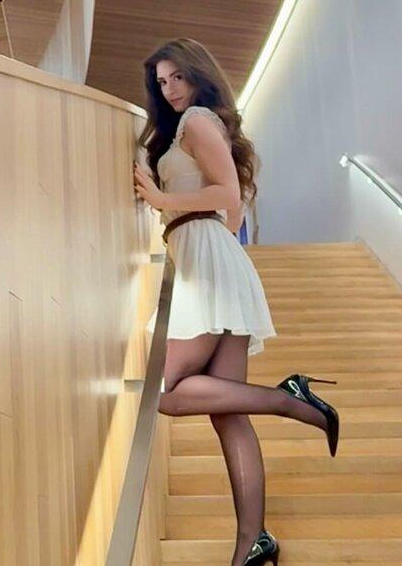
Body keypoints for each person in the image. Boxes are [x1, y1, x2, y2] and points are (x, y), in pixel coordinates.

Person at [133, 38, 339, 566]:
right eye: (161, 81)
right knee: (228, 416)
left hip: (206, 260)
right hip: (209, 256)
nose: (169, 89)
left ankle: (291, 401)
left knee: (163, 389)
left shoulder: (197, 120)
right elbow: (227, 209)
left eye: (177, 77)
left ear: (198, 74)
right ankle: (254, 542)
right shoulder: (189, 127)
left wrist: (161, 200)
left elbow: (226, 196)